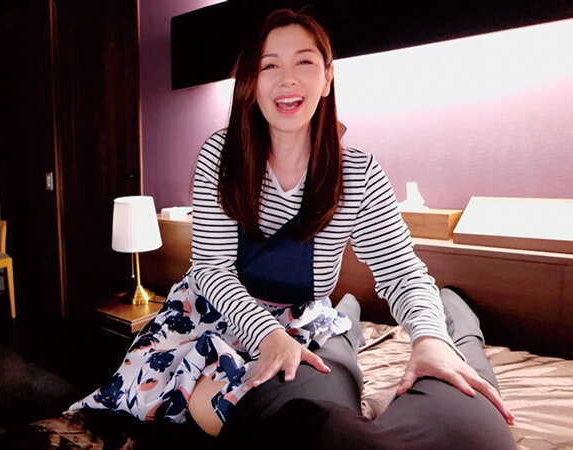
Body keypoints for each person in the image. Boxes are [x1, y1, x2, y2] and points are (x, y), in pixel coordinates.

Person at [71, 9, 516, 448]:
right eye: (270, 66)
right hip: (214, 315)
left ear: (327, 78)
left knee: (346, 380)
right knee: (223, 414)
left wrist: (429, 338)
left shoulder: (356, 173)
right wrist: (267, 334)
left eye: (304, 61)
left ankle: (423, 317)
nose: (287, 79)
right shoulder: (220, 157)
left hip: (303, 318)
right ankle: (348, 314)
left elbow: (401, 273)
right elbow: (210, 268)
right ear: (251, 81)